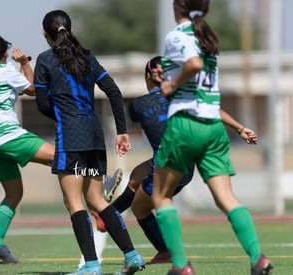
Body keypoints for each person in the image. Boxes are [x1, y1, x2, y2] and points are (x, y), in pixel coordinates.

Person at [92, 56, 259, 266]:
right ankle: (108, 215)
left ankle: (163, 249)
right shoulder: (184, 97)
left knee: (139, 208)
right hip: (185, 162)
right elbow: (213, 110)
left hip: (167, 164)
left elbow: (141, 118)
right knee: (135, 176)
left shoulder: (138, 105)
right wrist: (241, 128)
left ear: (147, 76)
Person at [151, 1, 274, 274]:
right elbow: (200, 73)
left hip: (185, 124)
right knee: (227, 199)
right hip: (213, 127)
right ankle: (258, 258)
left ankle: (181, 265)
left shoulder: (176, 36)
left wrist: (171, 83)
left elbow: (192, 65)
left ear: (177, 6)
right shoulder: (208, 39)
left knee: (160, 196)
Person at [34, 9, 145, 275]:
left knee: (74, 202)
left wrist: (63, 114)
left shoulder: (44, 60)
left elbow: (42, 104)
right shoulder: (87, 57)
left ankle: (92, 267)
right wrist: (122, 131)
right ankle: (132, 256)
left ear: (44, 33)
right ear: (69, 30)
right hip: (95, 136)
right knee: (96, 199)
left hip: (70, 138)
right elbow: (114, 93)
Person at [0, 34, 55, 263]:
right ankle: (97, 189)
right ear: (5, 53)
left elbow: (22, 89)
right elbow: (34, 89)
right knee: (60, 156)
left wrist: (20, 68)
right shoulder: (5, 71)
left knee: (14, 194)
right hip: (6, 134)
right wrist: (25, 62)